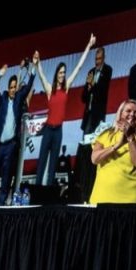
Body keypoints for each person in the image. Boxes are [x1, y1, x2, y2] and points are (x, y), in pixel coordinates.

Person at [34, 34, 96, 186]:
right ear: (56, 73)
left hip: (58, 131)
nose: (62, 75)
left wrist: (88, 45)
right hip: (48, 130)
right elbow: (41, 76)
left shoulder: (66, 87)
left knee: (53, 164)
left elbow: (79, 67)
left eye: (63, 72)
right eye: (60, 72)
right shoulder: (50, 89)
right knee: (42, 161)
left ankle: (48, 193)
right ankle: (36, 191)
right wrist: (37, 63)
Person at [0, 58, 37, 205]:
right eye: (10, 87)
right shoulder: (2, 97)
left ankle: (2, 206)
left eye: (14, 87)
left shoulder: (18, 98)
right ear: (8, 87)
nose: (12, 90)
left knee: (5, 177)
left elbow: (28, 87)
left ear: (16, 88)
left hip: (10, 145)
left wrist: (33, 68)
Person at [89, 99, 136, 203]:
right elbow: (95, 159)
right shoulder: (106, 134)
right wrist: (117, 145)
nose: (132, 114)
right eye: (128, 111)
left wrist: (130, 137)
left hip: (131, 200)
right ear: (120, 114)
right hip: (101, 198)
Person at [80, 46, 113, 137]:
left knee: (97, 143)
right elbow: (83, 98)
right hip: (88, 114)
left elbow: (102, 92)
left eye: (99, 59)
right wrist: (89, 88)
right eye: (96, 59)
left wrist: (93, 84)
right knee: (85, 142)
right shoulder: (91, 72)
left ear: (104, 58)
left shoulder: (107, 70)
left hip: (98, 115)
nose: (97, 62)